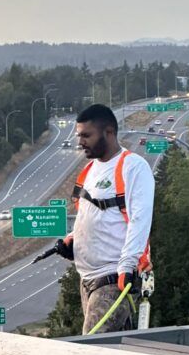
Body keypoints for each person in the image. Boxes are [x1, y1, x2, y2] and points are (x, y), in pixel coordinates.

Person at [55, 103, 155, 334]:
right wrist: (72, 241)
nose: (80, 142)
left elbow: (140, 220)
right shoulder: (90, 170)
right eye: (79, 136)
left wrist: (128, 266)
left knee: (90, 345)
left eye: (86, 135)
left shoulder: (133, 167)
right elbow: (91, 214)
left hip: (114, 279)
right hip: (87, 278)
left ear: (109, 132)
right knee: (115, 353)